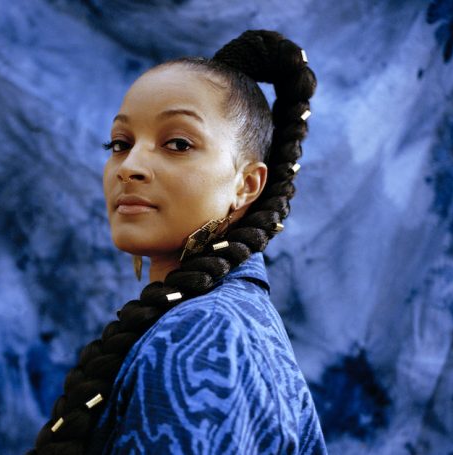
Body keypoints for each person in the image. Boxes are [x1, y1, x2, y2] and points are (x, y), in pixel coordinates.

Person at [28, 29, 327, 455]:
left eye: (178, 144)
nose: (129, 166)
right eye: (120, 144)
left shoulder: (204, 337)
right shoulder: (217, 319)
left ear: (246, 184)